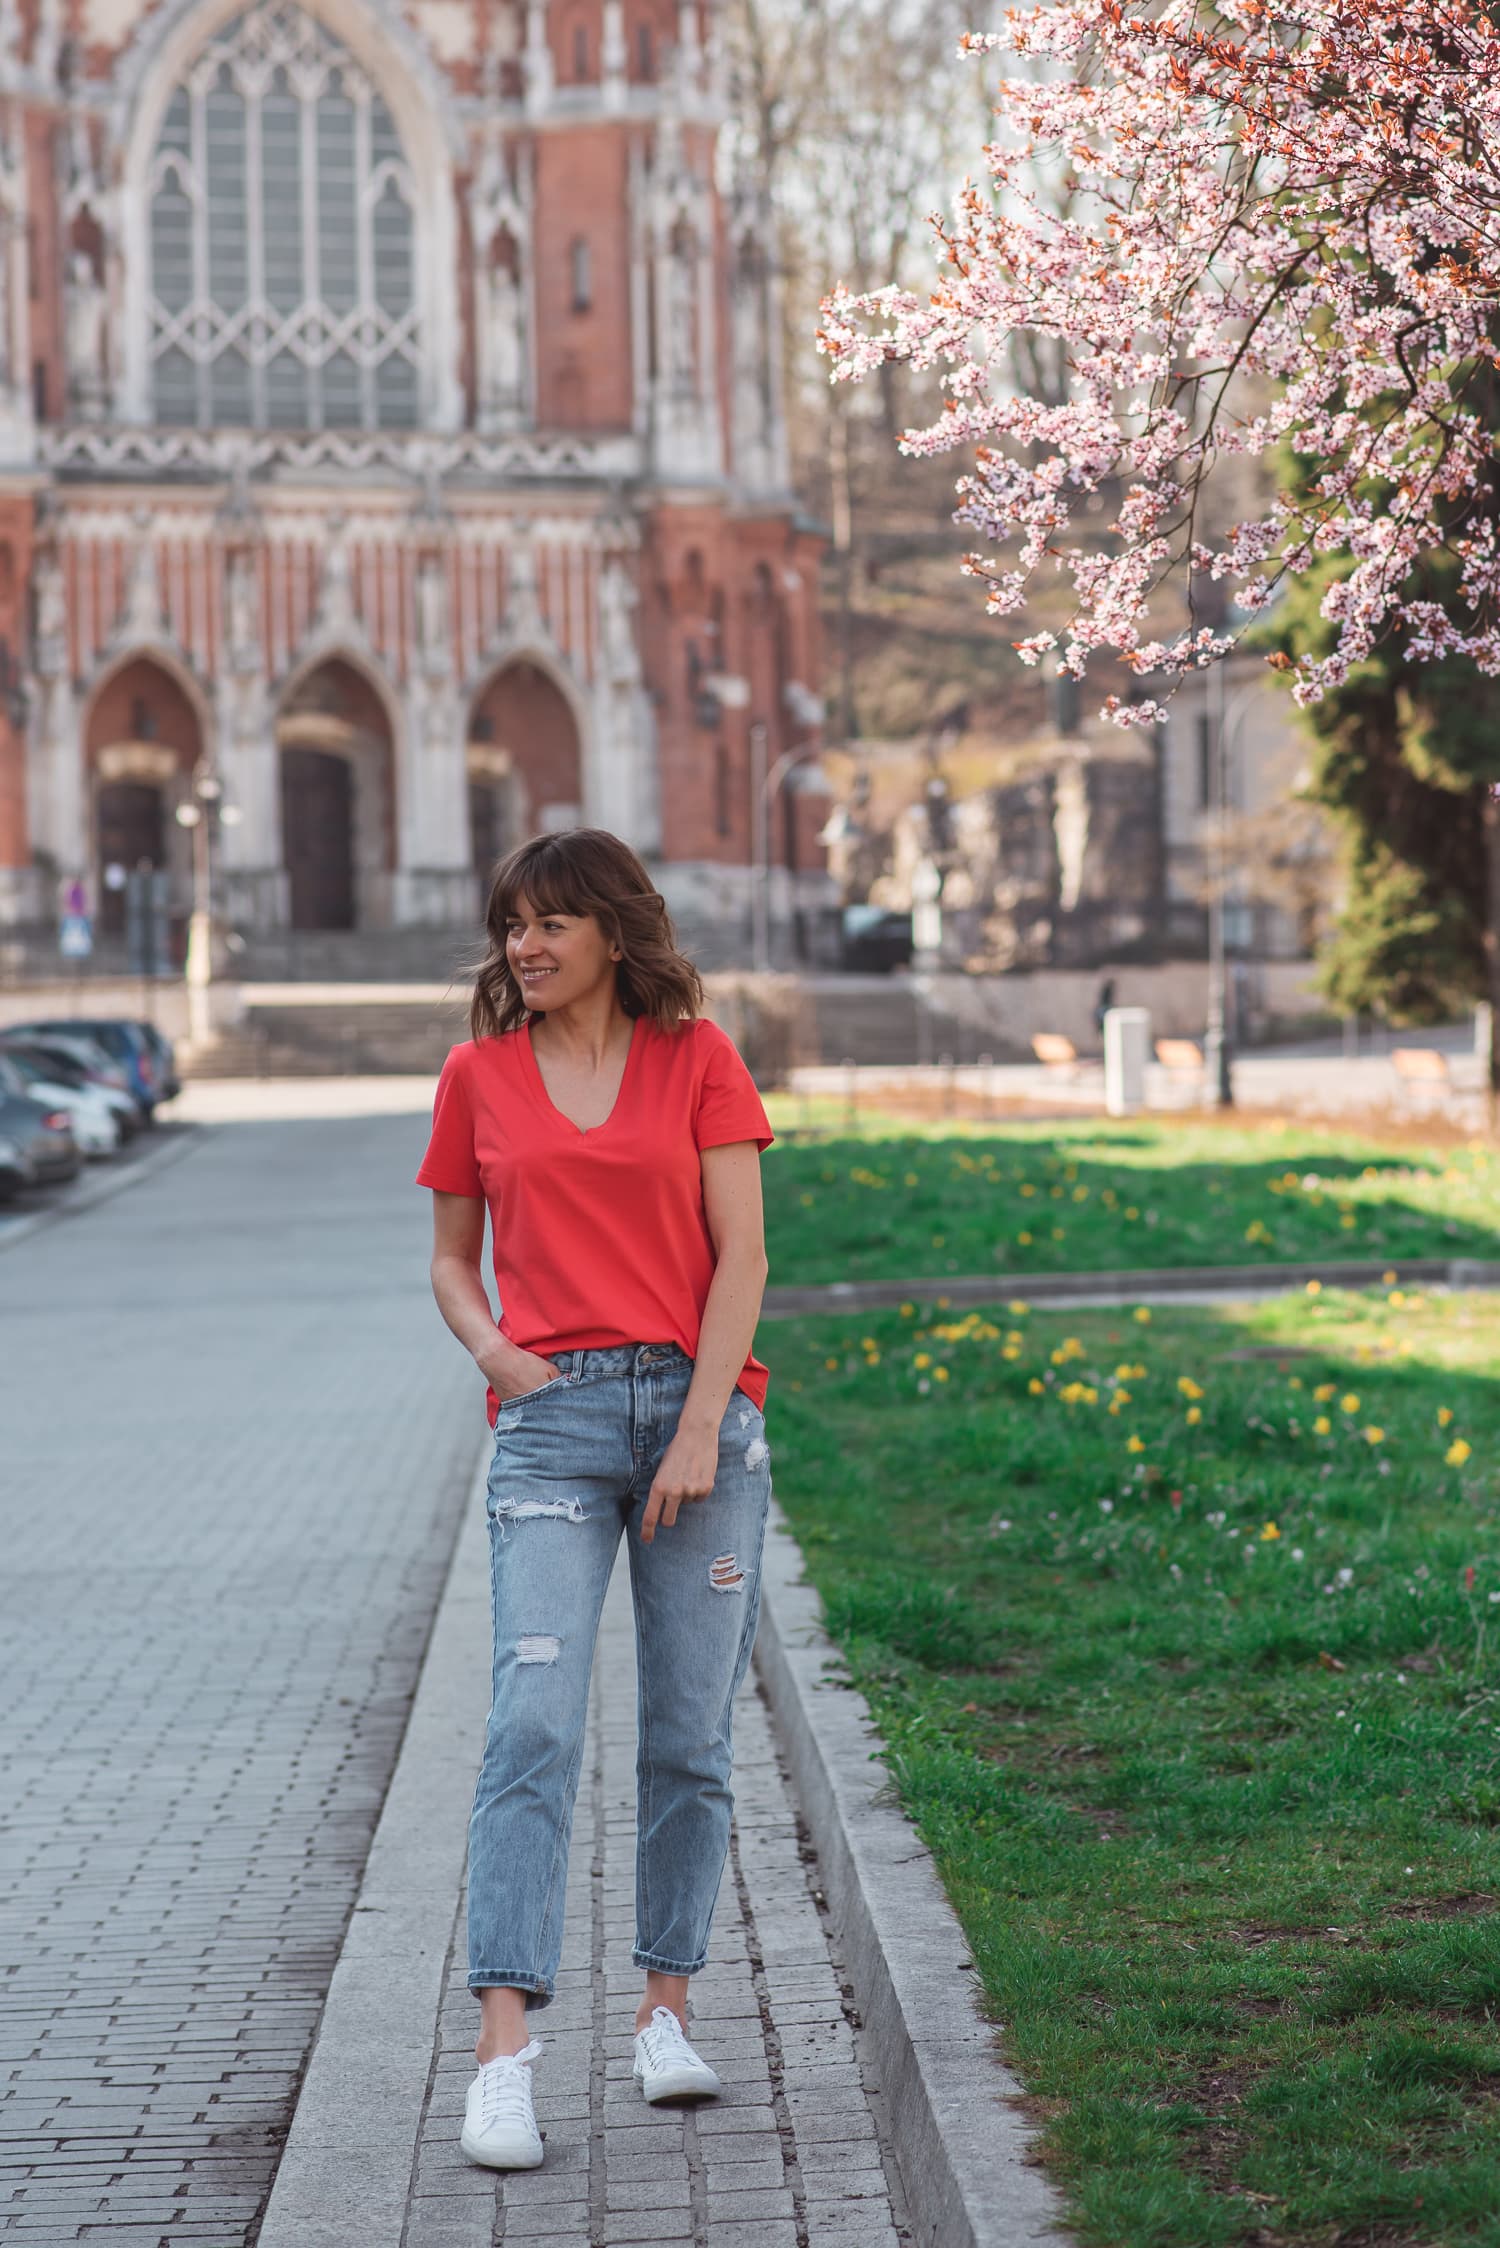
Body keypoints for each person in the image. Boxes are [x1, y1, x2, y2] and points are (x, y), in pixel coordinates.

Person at [416, 826, 774, 2172]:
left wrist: (701, 1424)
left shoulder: (698, 1058)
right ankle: (505, 2055)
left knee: (688, 1738)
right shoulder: (475, 1077)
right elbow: (453, 1259)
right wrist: (497, 1352)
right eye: (513, 922)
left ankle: (665, 2015)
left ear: (613, 932)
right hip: (551, 1427)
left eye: (552, 921)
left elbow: (742, 1254)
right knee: (529, 1729)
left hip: (701, 1420)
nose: (525, 944)